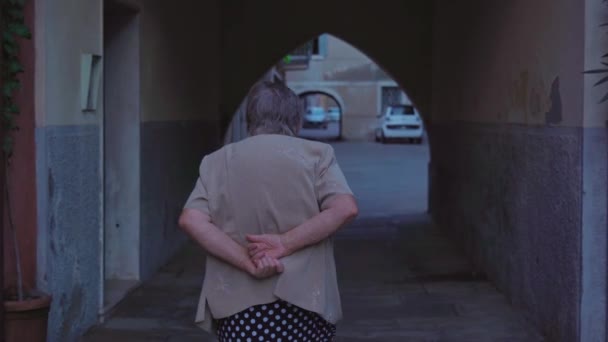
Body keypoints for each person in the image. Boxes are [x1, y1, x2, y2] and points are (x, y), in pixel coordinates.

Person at [178, 80, 358, 342]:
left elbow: (191, 220)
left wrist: (246, 260)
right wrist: (285, 243)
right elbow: (345, 208)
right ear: (296, 120)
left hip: (238, 305)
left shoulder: (216, 162)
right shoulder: (317, 155)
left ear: (250, 119)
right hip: (306, 298)